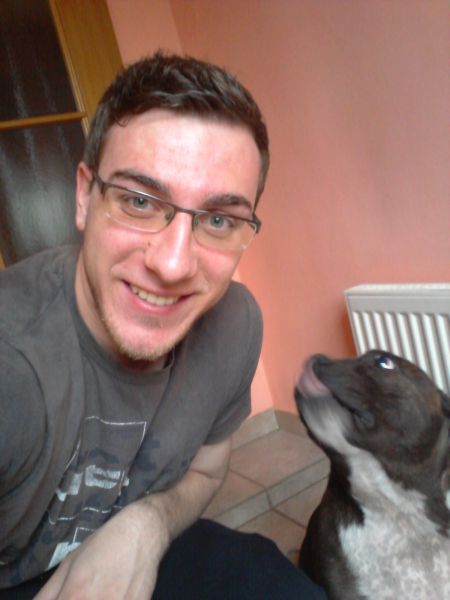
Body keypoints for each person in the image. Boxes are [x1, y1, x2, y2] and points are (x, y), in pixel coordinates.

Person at [0, 52, 327, 599]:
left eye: (218, 219)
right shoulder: (13, 368)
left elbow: (204, 473)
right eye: (139, 201)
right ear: (84, 197)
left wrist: (146, 526)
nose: (173, 266)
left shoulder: (235, 323)